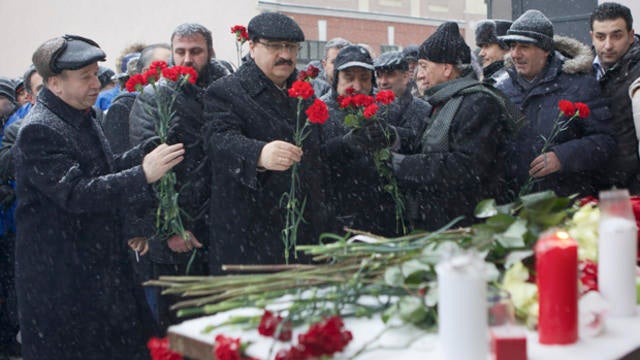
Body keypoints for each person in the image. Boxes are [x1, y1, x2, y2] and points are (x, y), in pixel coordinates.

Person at [14, 34, 185, 359]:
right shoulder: (39, 130)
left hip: (99, 269)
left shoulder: (80, 114)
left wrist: (142, 154)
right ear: (55, 83)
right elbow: (77, 194)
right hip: (64, 280)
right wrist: (143, 173)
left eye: (95, 73)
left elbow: (100, 172)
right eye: (86, 77)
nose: (96, 83)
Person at [202, 12, 333, 271]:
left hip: (303, 232)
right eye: (274, 46)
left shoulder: (304, 94)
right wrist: (259, 154)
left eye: (292, 47)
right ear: (251, 47)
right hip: (251, 233)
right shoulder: (226, 91)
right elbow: (218, 140)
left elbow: (318, 154)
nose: (285, 55)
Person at [128, 23, 231, 331]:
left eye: (196, 51)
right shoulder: (153, 98)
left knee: (223, 327)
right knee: (180, 328)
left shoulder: (227, 92)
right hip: (175, 237)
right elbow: (148, 172)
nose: (187, 60)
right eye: (180, 52)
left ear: (210, 52)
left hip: (223, 229)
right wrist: (171, 227)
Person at [385, 22, 516, 230]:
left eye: (424, 66)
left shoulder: (480, 102)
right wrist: (390, 136)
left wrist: (403, 165)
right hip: (442, 220)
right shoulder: (445, 100)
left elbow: (465, 167)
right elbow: (426, 144)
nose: (419, 74)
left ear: (446, 69)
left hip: (466, 224)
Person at [495, 9, 616, 197]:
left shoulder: (580, 85)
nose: (515, 54)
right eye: (512, 46)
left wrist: (563, 157)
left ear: (545, 50)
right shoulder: (501, 88)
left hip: (562, 203)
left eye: (524, 47)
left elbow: (605, 141)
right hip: (513, 204)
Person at [590, 2, 640, 192]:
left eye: (616, 36)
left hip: (633, 189)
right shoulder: (578, 72)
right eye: (601, 37)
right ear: (592, 37)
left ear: (631, 35)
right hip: (593, 188)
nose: (608, 45)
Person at [475, 19, 512, 83]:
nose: (481, 53)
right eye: (481, 47)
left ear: (506, 47)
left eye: (487, 46)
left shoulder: (507, 83)